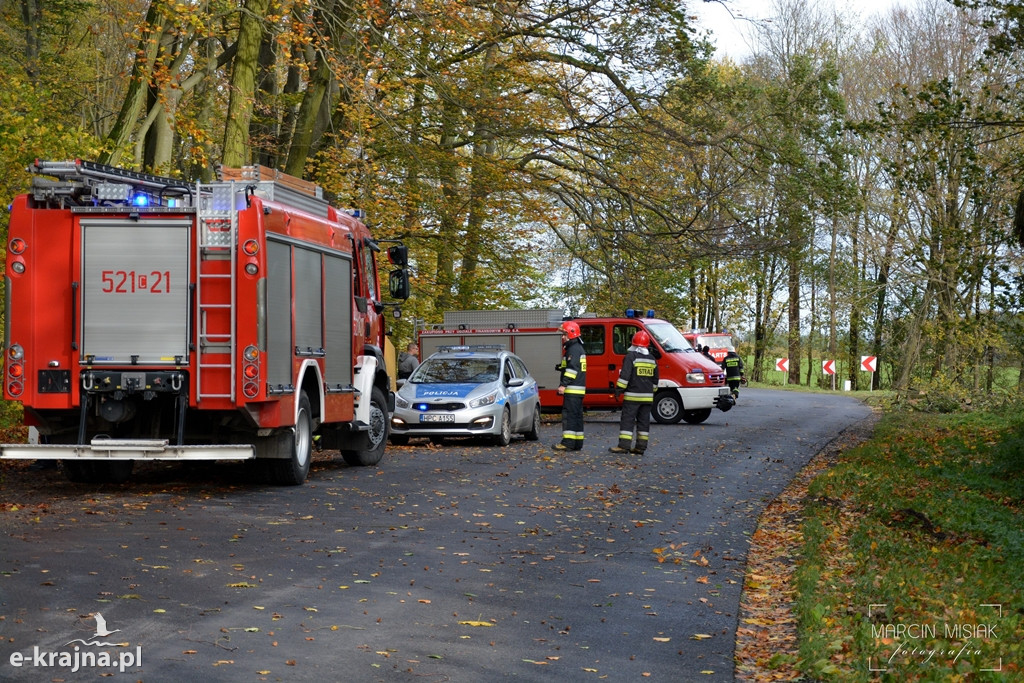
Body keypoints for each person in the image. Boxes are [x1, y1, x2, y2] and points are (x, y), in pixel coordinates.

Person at [610, 330, 659, 455]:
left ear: (634, 344)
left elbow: (625, 376)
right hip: (648, 398)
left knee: (628, 420)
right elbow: (655, 380)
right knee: (644, 422)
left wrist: (618, 390)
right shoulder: (652, 359)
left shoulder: (631, 357)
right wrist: (651, 391)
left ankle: (624, 446)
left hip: (632, 397)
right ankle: (641, 447)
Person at [553, 321, 587, 451]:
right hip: (578, 389)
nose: (562, 337)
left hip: (572, 389)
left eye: (564, 334)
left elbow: (572, 369)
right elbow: (572, 366)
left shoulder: (573, 349)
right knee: (577, 416)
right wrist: (561, 367)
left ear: (571, 334)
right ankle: (577, 443)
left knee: (569, 416)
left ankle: (567, 443)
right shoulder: (578, 348)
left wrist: (563, 384)